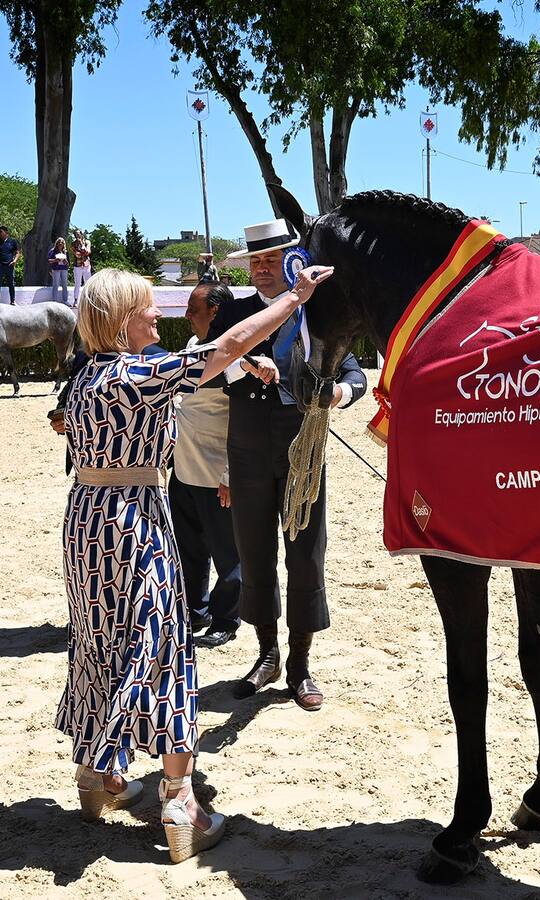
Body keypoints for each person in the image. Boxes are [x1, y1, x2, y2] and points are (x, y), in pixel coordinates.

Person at [57, 263, 331, 862]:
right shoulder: (138, 374)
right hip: (133, 516)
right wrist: (295, 296)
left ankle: (98, 775)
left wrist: (243, 364)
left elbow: (216, 362)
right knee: (161, 644)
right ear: (122, 319)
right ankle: (180, 801)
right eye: (146, 307)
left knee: (99, 638)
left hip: (85, 519)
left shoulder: (83, 379)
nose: (158, 313)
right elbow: (226, 344)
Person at [208, 217, 367, 711]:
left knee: (305, 553)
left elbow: (354, 374)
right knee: (254, 550)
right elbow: (210, 365)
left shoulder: (316, 314)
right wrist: (247, 364)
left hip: (303, 448)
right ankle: (267, 654)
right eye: (254, 260)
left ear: (292, 261)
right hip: (248, 446)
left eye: (271, 259)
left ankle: (300, 662)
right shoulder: (234, 313)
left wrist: (338, 394)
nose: (261, 268)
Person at [172, 280, 241, 647]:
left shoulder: (236, 358)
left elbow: (243, 421)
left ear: (215, 312)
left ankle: (225, 619)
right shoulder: (192, 346)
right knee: (189, 549)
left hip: (217, 474)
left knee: (228, 553)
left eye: (193, 309)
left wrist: (231, 473)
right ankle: (194, 610)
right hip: (183, 469)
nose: (186, 316)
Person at [0, 225, 20, 303]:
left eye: (1, 231)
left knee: (11, 284)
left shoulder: (12, 242)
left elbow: (17, 253)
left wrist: (14, 261)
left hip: (10, 265)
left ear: (6, 232)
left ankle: (12, 301)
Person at [72, 228, 91, 302]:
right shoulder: (73, 244)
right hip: (77, 265)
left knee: (88, 282)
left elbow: (88, 252)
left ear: (82, 234)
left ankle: (88, 299)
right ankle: (76, 300)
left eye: (78, 234)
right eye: (76, 235)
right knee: (77, 283)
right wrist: (82, 252)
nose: (77, 236)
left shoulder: (87, 242)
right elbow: (77, 255)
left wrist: (82, 244)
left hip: (86, 265)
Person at [49, 237, 69, 304]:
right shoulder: (53, 251)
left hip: (64, 269)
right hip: (56, 269)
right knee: (56, 284)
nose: (60, 244)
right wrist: (55, 260)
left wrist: (66, 262)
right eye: (59, 242)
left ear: (64, 244)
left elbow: (68, 263)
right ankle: (54, 300)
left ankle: (65, 300)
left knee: (64, 285)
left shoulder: (65, 252)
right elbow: (49, 260)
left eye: (62, 242)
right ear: (56, 243)